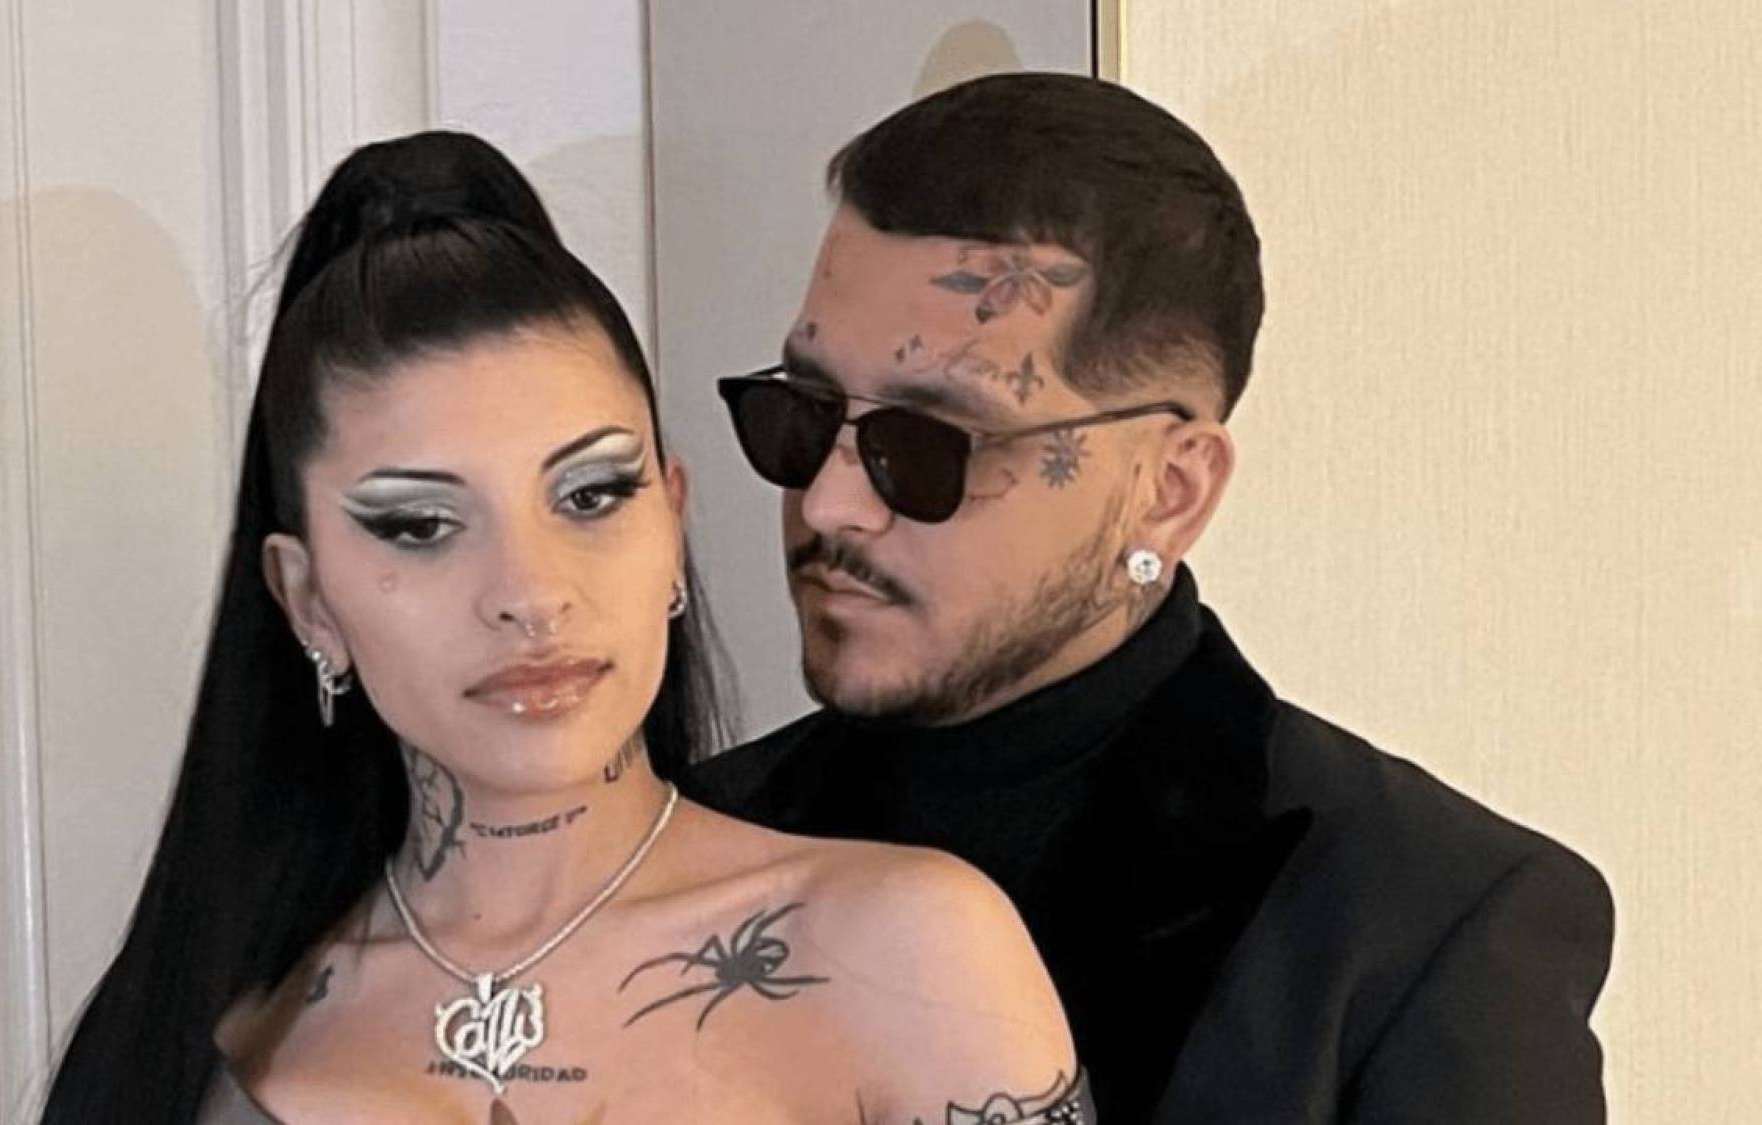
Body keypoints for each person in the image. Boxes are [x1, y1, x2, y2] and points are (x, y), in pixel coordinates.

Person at [40, 131, 1095, 1125]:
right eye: (421, 526)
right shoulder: (212, 1030)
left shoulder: (908, 954)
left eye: (590, 497)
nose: (530, 592)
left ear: (670, 522)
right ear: (307, 597)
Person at [687, 72, 1615, 1123]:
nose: (829, 501)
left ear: (1167, 492)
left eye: (931, 444)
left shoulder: (1425, 930)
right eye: (805, 410)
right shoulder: (691, 838)